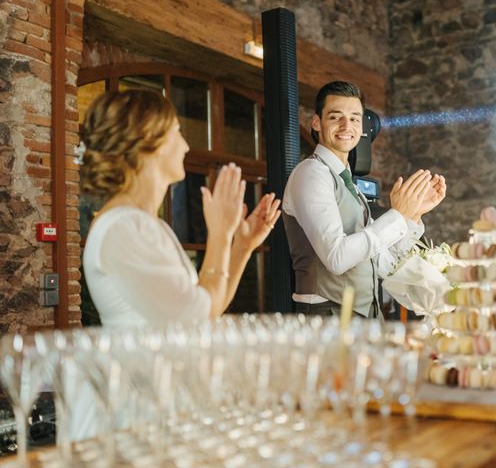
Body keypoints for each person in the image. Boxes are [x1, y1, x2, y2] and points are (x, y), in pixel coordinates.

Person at [73, 89, 281, 438]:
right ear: (148, 143)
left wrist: (241, 244)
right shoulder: (124, 227)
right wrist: (219, 233)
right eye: (177, 133)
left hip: (161, 392)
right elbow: (195, 317)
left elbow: (204, 304)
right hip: (134, 405)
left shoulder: (143, 224)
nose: (185, 146)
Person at [282, 81, 446, 318]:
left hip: (367, 316)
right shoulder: (312, 173)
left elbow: (381, 263)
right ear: (317, 122)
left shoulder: (350, 184)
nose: (346, 125)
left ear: (361, 128)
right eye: (336, 117)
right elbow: (337, 259)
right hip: (328, 318)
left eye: (355, 118)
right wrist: (397, 215)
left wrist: (412, 217)